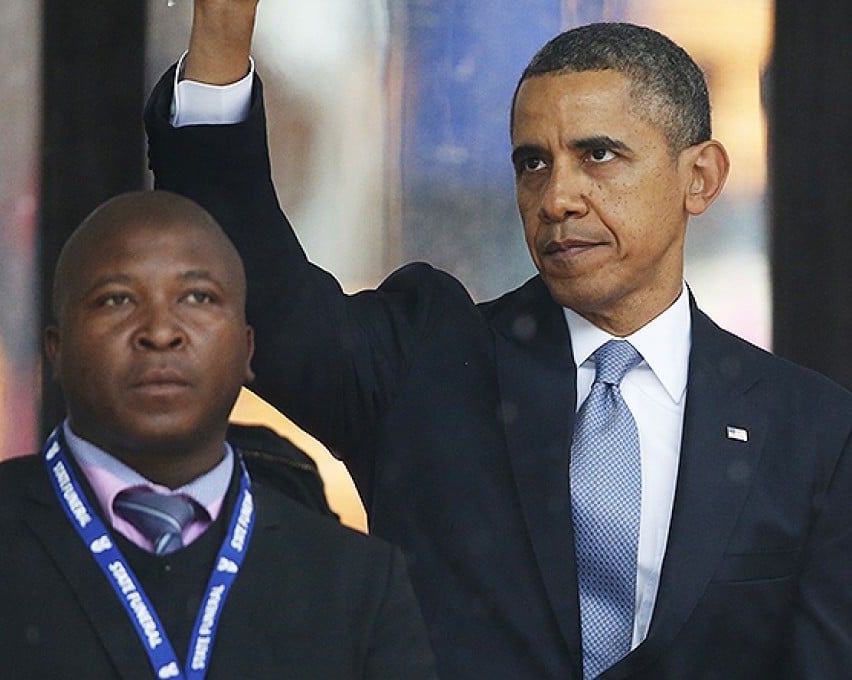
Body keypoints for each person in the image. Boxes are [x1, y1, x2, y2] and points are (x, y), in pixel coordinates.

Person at [143, 2, 852, 678]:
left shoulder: (809, 431)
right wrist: (224, 27)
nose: (557, 198)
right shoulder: (429, 363)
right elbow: (256, 291)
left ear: (700, 178)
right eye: (532, 163)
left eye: (598, 155)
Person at [0, 190, 437, 679]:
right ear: (57, 351)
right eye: (117, 299)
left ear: (248, 350)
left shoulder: (356, 581)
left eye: (197, 297)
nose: (160, 331)